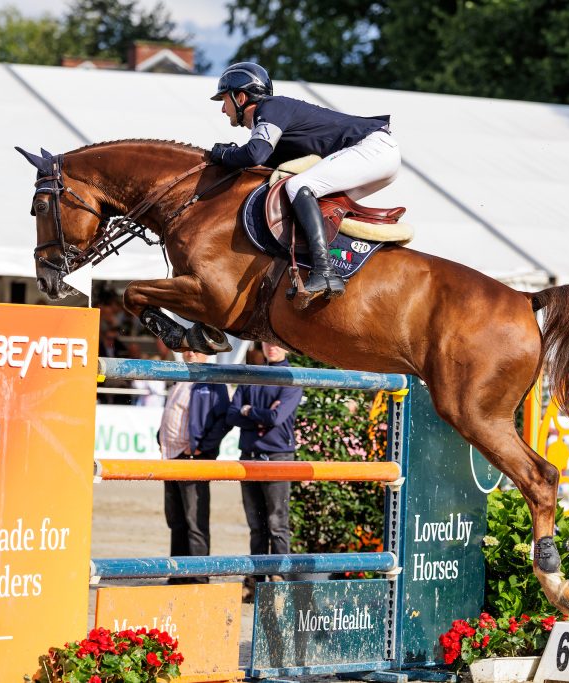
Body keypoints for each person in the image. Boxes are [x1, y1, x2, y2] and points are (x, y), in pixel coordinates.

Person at [208, 62, 401, 304]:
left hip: (373, 149)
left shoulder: (270, 108)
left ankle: (325, 271)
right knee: (305, 197)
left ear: (241, 96)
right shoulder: (272, 121)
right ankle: (335, 262)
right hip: (376, 155)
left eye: (224, 100)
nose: (223, 110)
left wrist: (223, 155)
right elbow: (261, 165)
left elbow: (254, 154)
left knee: (298, 187)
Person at [226, 342, 303, 600]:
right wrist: (258, 413)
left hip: (277, 456)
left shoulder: (292, 379)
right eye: (267, 341)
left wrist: (249, 411)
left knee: (276, 522)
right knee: (257, 525)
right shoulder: (253, 375)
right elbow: (232, 414)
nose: (272, 347)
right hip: (251, 456)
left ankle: (279, 579)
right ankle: (258, 578)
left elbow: (276, 418)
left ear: (288, 348)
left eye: (278, 343)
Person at [158, 350, 232, 583]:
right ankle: (178, 574)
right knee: (176, 519)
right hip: (172, 457)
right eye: (188, 348)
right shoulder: (181, 377)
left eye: (197, 349)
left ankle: (198, 577)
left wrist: (202, 448)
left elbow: (224, 419)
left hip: (191, 458)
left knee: (194, 520)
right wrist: (160, 437)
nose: (190, 352)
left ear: (207, 354)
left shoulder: (213, 380)